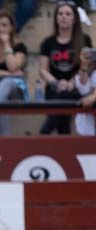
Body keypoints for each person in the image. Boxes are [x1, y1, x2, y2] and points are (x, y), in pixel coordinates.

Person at [38, 0, 90, 135]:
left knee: (64, 96)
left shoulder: (84, 40)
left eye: (68, 14)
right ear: (56, 18)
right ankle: (63, 141)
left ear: (74, 19)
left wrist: (72, 82)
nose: (63, 17)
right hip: (54, 87)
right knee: (61, 98)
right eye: (60, 14)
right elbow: (43, 69)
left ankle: (45, 131)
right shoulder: (47, 42)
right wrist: (56, 82)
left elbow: (88, 67)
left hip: (77, 87)